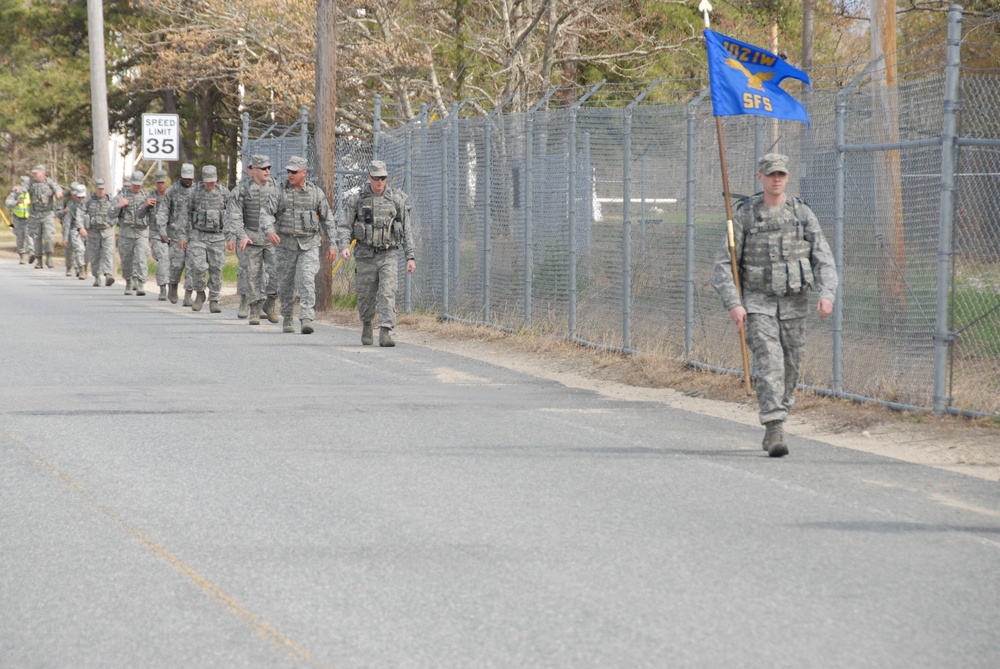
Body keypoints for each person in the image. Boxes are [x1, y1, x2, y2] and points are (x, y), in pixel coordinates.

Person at [712, 153, 838, 457]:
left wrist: (827, 294)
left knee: (791, 368)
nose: (776, 179)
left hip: (794, 304)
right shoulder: (744, 216)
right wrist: (734, 304)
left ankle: (779, 413)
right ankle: (774, 426)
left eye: (781, 174)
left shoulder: (802, 214)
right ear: (760, 178)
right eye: (770, 174)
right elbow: (723, 265)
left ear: (787, 177)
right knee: (770, 362)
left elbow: (823, 258)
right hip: (758, 303)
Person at [337, 160, 416, 347]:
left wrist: (410, 257)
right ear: (369, 177)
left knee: (388, 292)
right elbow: (344, 226)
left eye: (383, 178)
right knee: (366, 294)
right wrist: (344, 246)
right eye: (376, 178)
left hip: (388, 254)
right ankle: (366, 325)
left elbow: (406, 229)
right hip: (365, 254)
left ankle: (385, 331)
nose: (380, 182)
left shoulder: (395, 200)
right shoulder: (357, 199)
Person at [261, 155, 335, 335]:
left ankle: (306, 317)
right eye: (288, 171)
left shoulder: (315, 193)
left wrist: (333, 244)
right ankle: (287, 317)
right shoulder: (279, 192)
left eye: (294, 172)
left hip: (309, 244)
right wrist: (270, 230)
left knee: (307, 278)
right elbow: (267, 213)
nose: (290, 174)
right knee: (285, 284)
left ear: (304, 173)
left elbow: (328, 220)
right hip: (285, 245)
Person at [228, 154, 280, 325]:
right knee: (252, 276)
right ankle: (255, 310)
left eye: (269, 168)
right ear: (254, 170)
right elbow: (234, 217)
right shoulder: (241, 191)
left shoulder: (277, 189)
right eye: (263, 168)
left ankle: (270, 304)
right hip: (251, 238)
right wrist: (241, 236)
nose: (267, 171)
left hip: (272, 239)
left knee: (275, 274)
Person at [180, 165, 229, 313]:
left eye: (212, 181)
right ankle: (200, 292)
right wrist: (183, 236)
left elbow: (233, 214)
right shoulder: (194, 192)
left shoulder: (224, 193)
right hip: (198, 235)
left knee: (216, 268)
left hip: (217, 236)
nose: (210, 184)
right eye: (207, 181)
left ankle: (214, 299)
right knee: (198, 266)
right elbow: (184, 215)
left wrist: (231, 235)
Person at [156, 163, 197, 306]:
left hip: (193, 234)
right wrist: (162, 231)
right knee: (176, 265)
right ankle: (173, 286)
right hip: (175, 234)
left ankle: (188, 295)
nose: (188, 181)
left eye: (190, 178)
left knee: (192, 265)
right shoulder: (172, 191)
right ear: (181, 176)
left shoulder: (197, 191)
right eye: (185, 178)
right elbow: (163, 211)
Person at [114, 171, 152, 296]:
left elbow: (154, 216)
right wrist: (118, 206)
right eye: (134, 184)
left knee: (141, 258)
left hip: (141, 233)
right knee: (126, 260)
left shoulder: (147, 196)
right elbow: (110, 213)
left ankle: (140, 283)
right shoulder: (122, 195)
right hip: (126, 233)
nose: (137, 187)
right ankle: (129, 281)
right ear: (130, 183)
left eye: (139, 185)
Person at [81, 178, 117, 287]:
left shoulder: (111, 200)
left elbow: (117, 212)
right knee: (94, 255)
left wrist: (114, 221)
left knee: (108, 252)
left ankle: (108, 274)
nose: (101, 191)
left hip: (107, 231)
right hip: (93, 232)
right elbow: (80, 212)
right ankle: (97, 276)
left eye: (102, 189)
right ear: (95, 188)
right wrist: (80, 227)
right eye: (99, 189)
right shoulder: (88, 200)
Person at [27, 165, 64, 269]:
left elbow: (58, 188)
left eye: (36, 173)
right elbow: (23, 187)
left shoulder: (50, 183)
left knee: (49, 237)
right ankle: (39, 260)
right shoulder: (31, 183)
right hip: (35, 215)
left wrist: (58, 192)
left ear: (43, 173)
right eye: (33, 173)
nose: (34, 175)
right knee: (36, 238)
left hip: (47, 214)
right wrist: (18, 189)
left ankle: (49, 256)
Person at [148, 170, 171, 300]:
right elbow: (139, 215)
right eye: (158, 183)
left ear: (166, 182)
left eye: (163, 182)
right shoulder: (150, 196)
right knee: (163, 258)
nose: (161, 185)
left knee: (176, 262)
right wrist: (145, 205)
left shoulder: (171, 195)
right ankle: (163, 288)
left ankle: (173, 287)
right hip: (157, 235)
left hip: (172, 233)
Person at [62, 183, 88, 279]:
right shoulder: (71, 206)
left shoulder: (90, 204)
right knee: (79, 249)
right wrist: (65, 237)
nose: (81, 199)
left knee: (87, 252)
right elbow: (67, 222)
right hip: (75, 231)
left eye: (83, 197)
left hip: (88, 230)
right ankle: (80, 268)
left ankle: (85, 267)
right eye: (79, 197)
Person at [6, 176, 33, 264]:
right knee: (20, 237)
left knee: (30, 235)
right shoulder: (15, 193)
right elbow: (8, 203)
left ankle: (32, 252)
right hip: (18, 218)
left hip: (29, 218)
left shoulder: (31, 192)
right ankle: (22, 256)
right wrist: (16, 202)